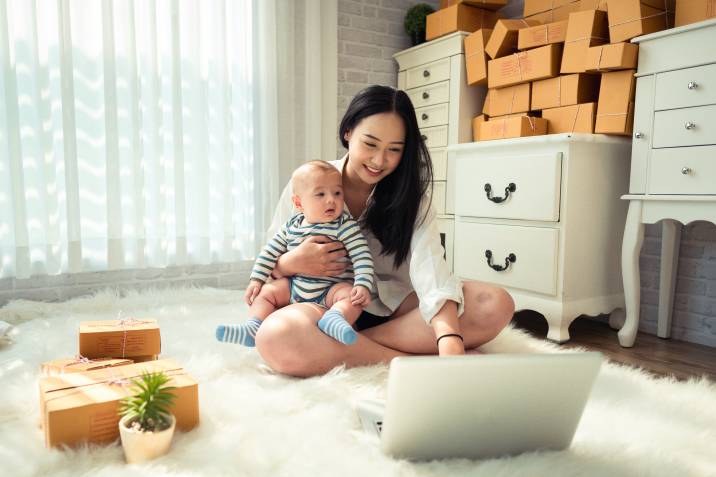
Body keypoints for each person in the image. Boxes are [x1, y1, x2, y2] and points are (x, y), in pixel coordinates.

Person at [255, 85, 515, 378]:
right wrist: (292, 262)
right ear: (348, 132)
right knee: (276, 336)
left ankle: (351, 346)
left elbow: (432, 269)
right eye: (370, 144)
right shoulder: (309, 181)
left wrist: (449, 338)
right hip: (323, 307)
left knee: (494, 304)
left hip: (391, 309)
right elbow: (269, 258)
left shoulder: (412, 199)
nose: (379, 161)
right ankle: (406, 360)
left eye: (394, 150)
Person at [216, 160, 374, 347]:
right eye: (320, 194)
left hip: (331, 289)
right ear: (299, 203)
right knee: (266, 293)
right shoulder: (291, 226)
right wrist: (256, 280)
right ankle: (253, 326)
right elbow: (269, 253)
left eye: (337, 193)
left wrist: (363, 284)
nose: (331, 199)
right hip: (294, 287)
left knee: (352, 298)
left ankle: (335, 318)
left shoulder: (344, 225)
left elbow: (361, 256)